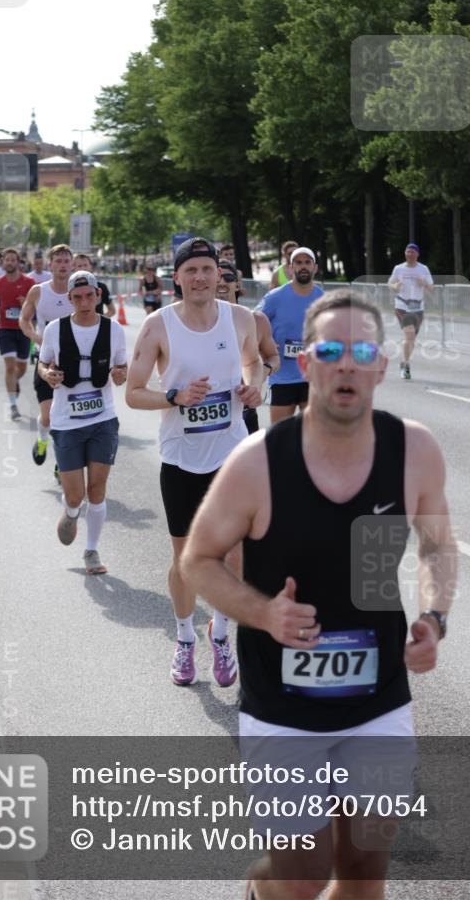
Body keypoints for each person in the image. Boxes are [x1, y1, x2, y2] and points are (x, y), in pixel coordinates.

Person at [182, 289, 457, 900]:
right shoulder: (257, 462)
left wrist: (435, 617)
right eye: (331, 351)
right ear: (305, 364)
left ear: (381, 366)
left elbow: (438, 545)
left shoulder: (414, 450)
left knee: (363, 871)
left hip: (379, 697)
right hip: (281, 705)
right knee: (302, 878)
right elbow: (196, 560)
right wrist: (263, 613)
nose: (347, 365)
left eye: (363, 352)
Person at [126, 237, 262, 686]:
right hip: (181, 459)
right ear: (178, 278)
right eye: (192, 271)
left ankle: (219, 633)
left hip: (231, 454)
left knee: (236, 556)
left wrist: (254, 386)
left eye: (208, 269)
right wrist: (175, 396)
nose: (201, 277)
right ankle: (184, 639)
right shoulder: (158, 326)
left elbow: (254, 362)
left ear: (218, 275)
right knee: (186, 560)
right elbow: (132, 393)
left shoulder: (240, 318)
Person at [38, 270, 127, 573]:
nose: (85, 302)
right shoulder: (55, 329)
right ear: (69, 299)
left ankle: (91, 551)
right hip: (67, 421)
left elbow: (122, 367)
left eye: (90, 295)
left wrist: (120, 374)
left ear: (98, 294)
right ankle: (72, 511)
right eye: (78, 298)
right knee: (75, 495)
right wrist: (47, 374)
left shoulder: (114, 329)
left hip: (103, 418)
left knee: (97, 490)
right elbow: (42, 363)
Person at [19, 244, 74, 466]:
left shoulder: (79, 292)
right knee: (49, 416)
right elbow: (24, 319)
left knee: (68, 418)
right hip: (46, 362)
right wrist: (37, 338)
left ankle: (62, 464)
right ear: (50, 265)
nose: (62, 265)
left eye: (66, 261)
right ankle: (42, 439)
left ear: (72, 264)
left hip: (73, 362)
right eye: (58, 261)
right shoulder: (38, 291)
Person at [261, 247, 324, 423]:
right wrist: (265, 343)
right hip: (281, 378)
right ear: (290, 268)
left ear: (315, 267)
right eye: (298, 262)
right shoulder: (274, 297)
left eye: (307, 262)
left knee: (314, 432)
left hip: (312, 377)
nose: (303, 266)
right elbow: (254, 322)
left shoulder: (324, 299)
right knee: (280, 433)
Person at [217, 258, 280, 434]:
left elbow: (274, 357)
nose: (222, 282)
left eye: (228, 277)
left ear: (237, 284)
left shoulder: (256, 320)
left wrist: (264, 370)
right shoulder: (197, 324)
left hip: (245, 412)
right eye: (217, 277)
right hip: (210, 414)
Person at [0, 248, 34, 420]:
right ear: (2, 262)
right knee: (9, 367)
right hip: (5, 329)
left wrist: (26, 304)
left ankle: (14, 382)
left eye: (13, 260)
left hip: (24, 329)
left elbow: (36, 305)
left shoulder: (29, 282)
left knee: (21, 367)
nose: (9, 262)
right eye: (7, 260)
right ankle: (13, 405)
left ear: (18, 262)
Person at [388, 243, 434, 380]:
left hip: (418, 307)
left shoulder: (423, 269)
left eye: (412, 252)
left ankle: (403, 361)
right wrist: (395, 286)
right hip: (402, 305)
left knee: (411, 340)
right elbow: (390, 283)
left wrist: (423, 283)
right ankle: (406, 367)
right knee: (409, 336)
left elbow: (431, 288)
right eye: (407, 251)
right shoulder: (398, 268)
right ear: (405, 253)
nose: (409, 254)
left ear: (417, 254)